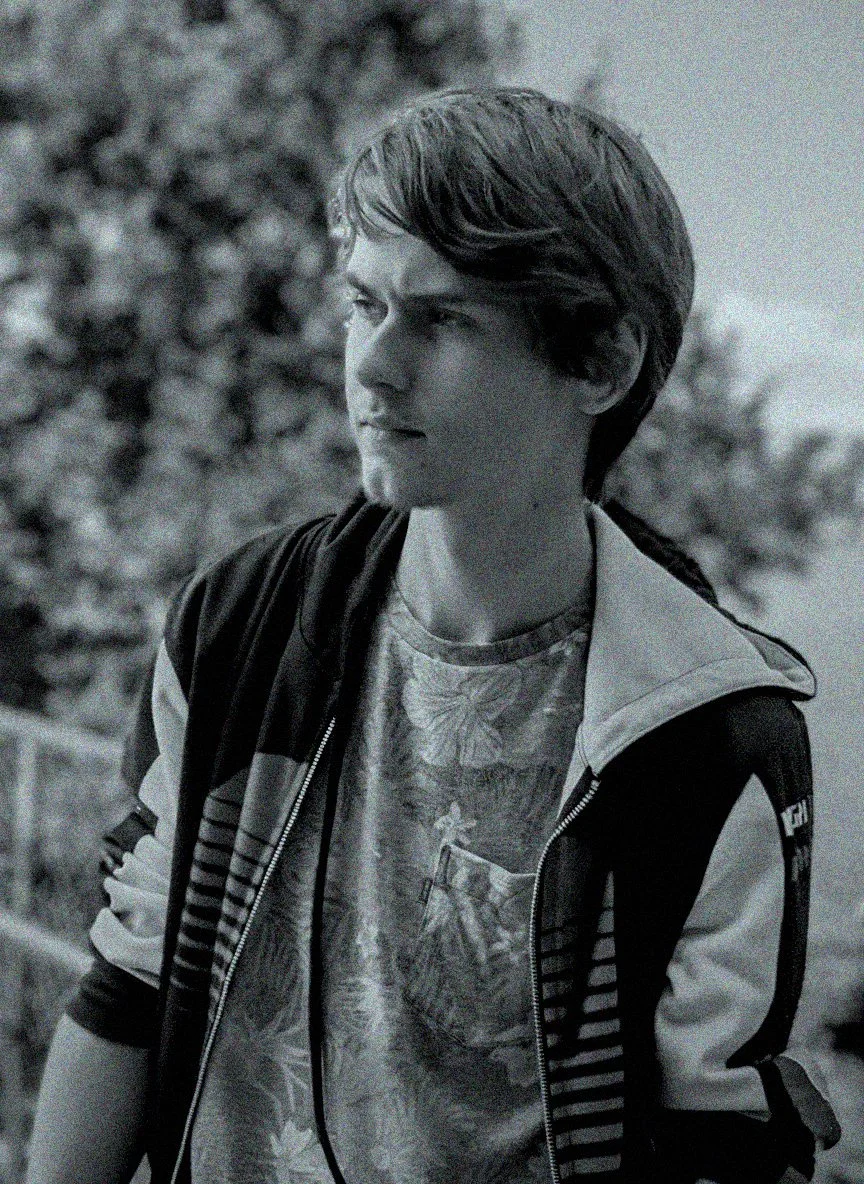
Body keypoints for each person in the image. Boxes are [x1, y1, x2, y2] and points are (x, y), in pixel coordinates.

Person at [27, 87, 839, 1184]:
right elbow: (128, 987)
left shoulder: (712, 735)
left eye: (443, 318)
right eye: (363, 304)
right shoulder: (243, 622)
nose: (371, 361)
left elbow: (721, 1140)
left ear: (599, 362)